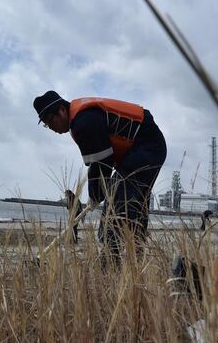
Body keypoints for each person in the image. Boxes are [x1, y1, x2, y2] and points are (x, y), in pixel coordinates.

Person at [33, 91, 167, 265]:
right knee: (132, 205)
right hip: (141, 150)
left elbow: (102, 163)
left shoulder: (83, 123)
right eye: (46, 125)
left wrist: (96, 195)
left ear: (61, 111)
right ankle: (133, 260)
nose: (51, 128)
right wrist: (96, 193)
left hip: (147, 146)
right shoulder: (81, 119)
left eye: (49, 122)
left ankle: (112, 261)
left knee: (118, 205)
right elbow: (99, 164)